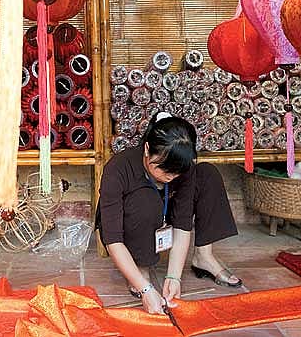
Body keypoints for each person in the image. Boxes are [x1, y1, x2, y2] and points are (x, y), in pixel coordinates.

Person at [96, 112, 240, 315]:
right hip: (132, 218)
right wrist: (146, 289)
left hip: (164, 214)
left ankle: (203, 257)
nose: (170, 177)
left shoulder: (183, 168)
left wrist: (174, 277)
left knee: (207, 174)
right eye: (163, 170)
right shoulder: (118, 168)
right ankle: (139, 267)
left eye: (176, 173)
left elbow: (182, 222)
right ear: (147, 149)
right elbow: (113, 239)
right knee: (145, 201)